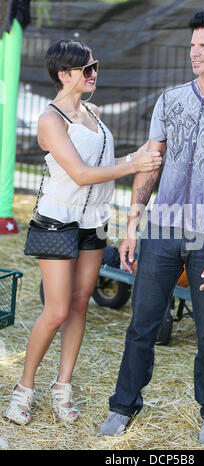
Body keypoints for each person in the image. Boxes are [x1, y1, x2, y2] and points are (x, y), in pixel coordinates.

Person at [100, 12, 204, 445]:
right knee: (142, 324)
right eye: (192, 45)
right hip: (164, 228)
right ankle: (123, 406)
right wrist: (133, 225)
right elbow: (149, 166)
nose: (195, 52)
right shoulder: (170, 100)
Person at [3, 39, 162, 426]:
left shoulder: (93, 111)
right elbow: (80, 174)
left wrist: (142, 154)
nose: (94, 74)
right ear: (64, 74)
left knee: (78, 305)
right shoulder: (50, 119)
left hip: (94, 222)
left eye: (96, 66)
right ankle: (23, 389)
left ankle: (63, 386)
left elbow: (110, 164)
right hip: (58, 220)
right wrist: (132, 164)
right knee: (56, 310)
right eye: (86, 69)